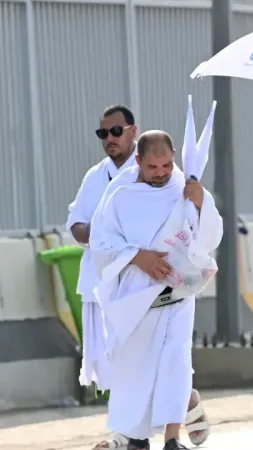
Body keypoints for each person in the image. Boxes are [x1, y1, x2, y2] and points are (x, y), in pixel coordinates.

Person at [90, 130, 222, 450]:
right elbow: (101, 242)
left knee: (176, 360)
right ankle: (136, 438)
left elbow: (209, 236)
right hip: (136, 294)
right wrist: (138, 257)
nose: (161, 172)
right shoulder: (119, 194)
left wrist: (201, 202)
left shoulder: (186, 188)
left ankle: (172, 438)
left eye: (166, 165)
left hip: (177, 291)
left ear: (174, 157)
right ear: (138, 161)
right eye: (153, 167)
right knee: (137, 367)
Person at [68, 105, 138, 398]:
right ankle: (131, 426)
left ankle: (181, 405)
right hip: (100, 281)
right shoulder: (95, 176)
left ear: (133, 131)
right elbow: (75, 223)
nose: (110, 138)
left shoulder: (152, 169)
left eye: (116, 131)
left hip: (140, 280)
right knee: (111, 366)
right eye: (103, 133)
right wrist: (99, 233)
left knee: (144, 359)